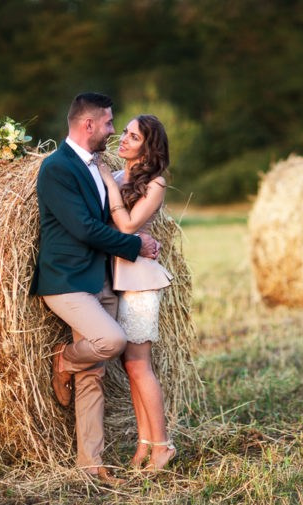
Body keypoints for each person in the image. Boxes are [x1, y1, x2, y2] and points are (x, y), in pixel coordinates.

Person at [29, 92, 159, 485]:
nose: (111, 130)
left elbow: (118, 217)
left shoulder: (98, 167)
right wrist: (136, 246)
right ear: (88, 125)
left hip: (100, 278)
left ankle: (91, 464)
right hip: (67, 281)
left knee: (94, 376)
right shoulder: (57, 168)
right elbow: (84, 228)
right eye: (107, 123)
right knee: (112, 341)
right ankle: (65, 359)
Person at [98, 114, 176, 472]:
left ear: (148, 146)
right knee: (131, 366)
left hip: (140, 281)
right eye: (124, 133)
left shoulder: (155, 183)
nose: (123, 140)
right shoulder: (116, 177)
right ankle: (144, 444)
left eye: (133, 136)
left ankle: (162, 445)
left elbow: (128, 225)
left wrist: (108, 184)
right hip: (117, 278)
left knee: (139, 364)